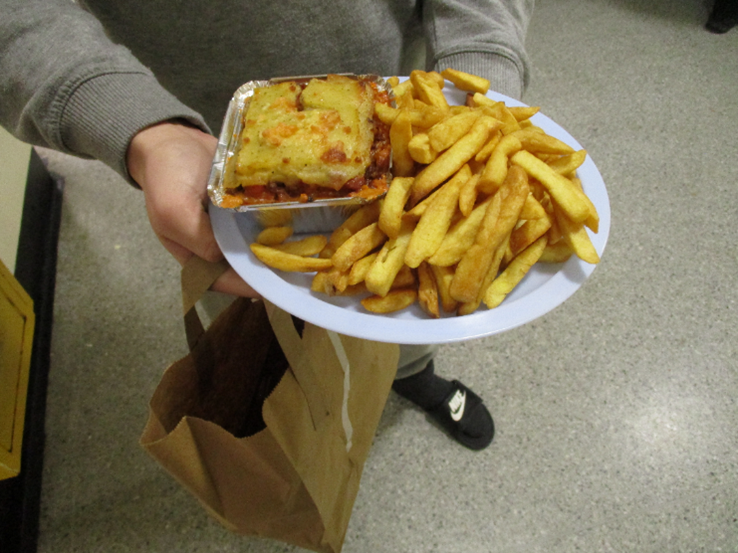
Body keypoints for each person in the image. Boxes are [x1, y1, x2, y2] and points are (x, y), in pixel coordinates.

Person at [0, 0, 534, 450]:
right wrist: (146, 131)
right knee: (255, 329)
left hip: (406, 124)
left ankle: (414, 377)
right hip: (201, 147)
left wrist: (482, 89)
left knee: (407, 303)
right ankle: (293, 419)